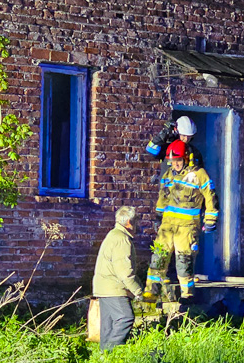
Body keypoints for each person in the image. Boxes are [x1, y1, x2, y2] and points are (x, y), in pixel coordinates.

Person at [143, 139, 218, 302]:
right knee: (159, 256)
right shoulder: (168, 175)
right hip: (167, 225)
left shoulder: (199, 175)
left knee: (184, 260)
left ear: (186, 158)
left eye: (178, 160)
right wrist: (158, 216)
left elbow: (210, 197)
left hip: (187, 226)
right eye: (173, 161)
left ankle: (187, 294)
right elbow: (163, 197)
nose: (175, 164)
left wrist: (211, 218)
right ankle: (151, 291)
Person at [92, 206, 144, 351]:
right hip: (114, 288)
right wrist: (139, 292)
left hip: (103, 288)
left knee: (108, 327)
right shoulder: (122, 240)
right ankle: (111, 352)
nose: (137, 225)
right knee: (125, 318)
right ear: (129, 222)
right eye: (136, 221)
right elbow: (125, 272)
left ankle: (104, 361)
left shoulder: (112, 235)